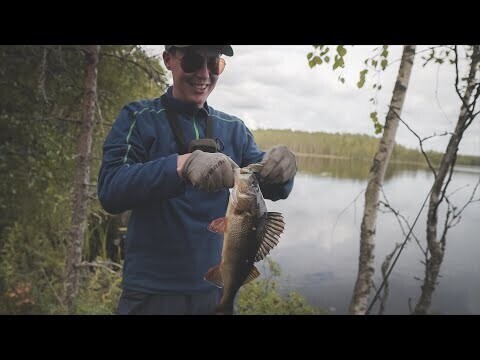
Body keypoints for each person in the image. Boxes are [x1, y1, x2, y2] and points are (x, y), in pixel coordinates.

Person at [98, 45, 297, 315]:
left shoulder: (234, 129)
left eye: (214, 64)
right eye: (192, 61)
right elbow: (110, 189)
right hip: (149, 293)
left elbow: (268, 185)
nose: (204, 74)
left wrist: (283, 168)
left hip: (215, 294)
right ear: (168, 60)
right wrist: (180, 165)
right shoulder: (139, 118)